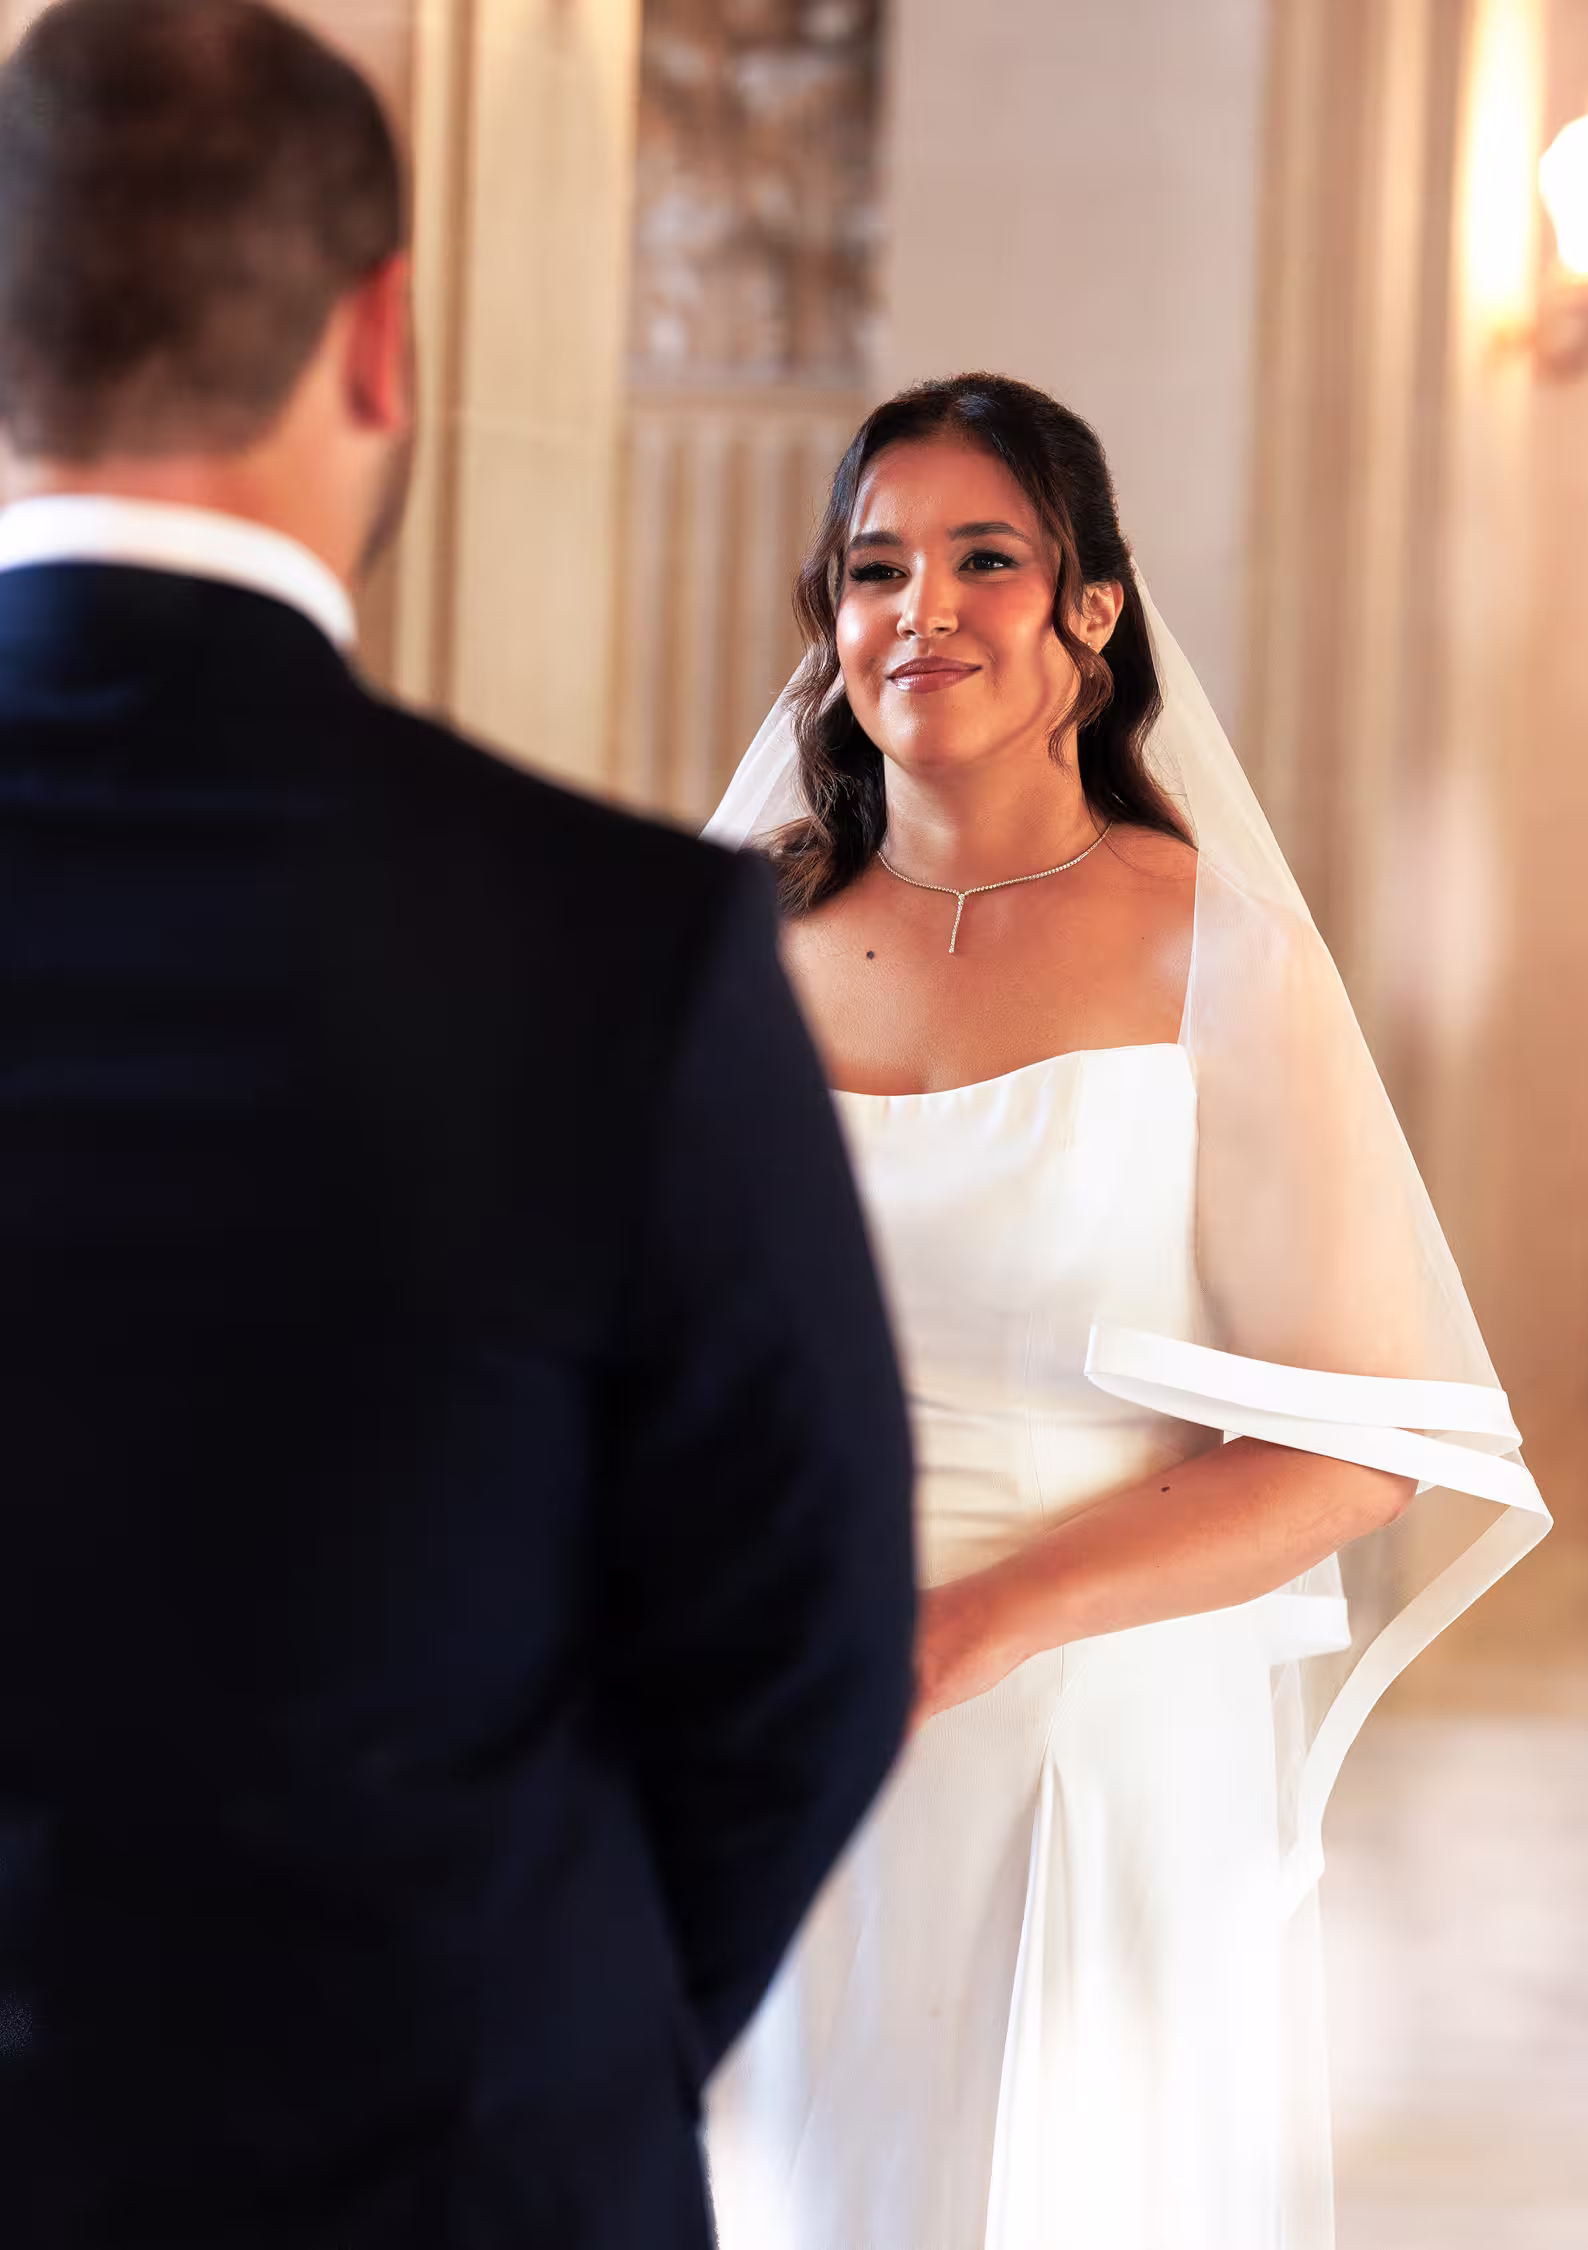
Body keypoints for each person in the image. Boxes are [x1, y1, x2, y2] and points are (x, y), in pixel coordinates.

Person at [0, 4, 914, 2244]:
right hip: (449, 2155)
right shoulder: (628, 949)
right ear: (383, 340)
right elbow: (804, 1642)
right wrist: (535, 2029)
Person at [703, 373, 1550, 2250]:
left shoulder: (1211, 952)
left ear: (1090, 607)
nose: (919, 608)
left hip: (1084, 1716)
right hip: (766, 1704)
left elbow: (1350, 1444)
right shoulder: (726, 946)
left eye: (982, 557)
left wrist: (980, 1621)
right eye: (873, 566)